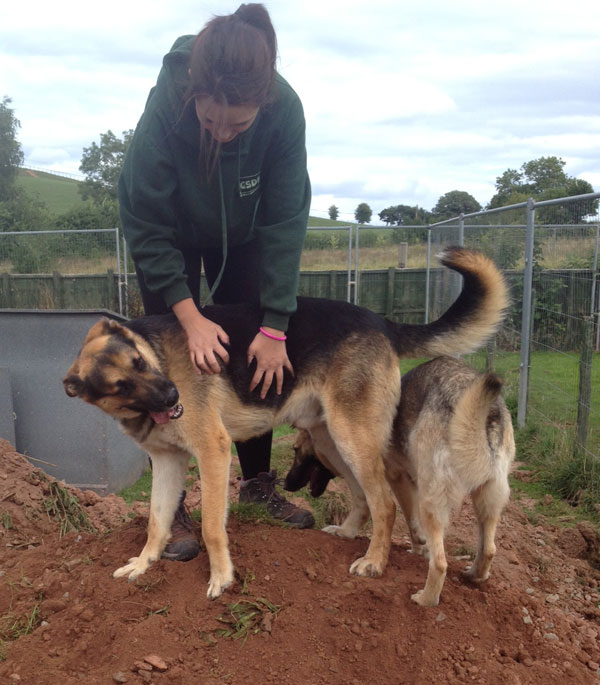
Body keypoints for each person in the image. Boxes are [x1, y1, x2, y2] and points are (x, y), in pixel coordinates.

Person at [118, 3, 315, 562]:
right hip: (171, 235)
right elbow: (145, 220)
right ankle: (174, 502)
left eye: (239, 124)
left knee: (258, 353)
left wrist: (275, 323)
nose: (223, 135)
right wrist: (189, 317)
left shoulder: (285, 111)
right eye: (210, 122)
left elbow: (285, 222)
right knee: (167, 357)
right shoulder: (168, 100)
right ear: (193, 93)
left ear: (264, 104)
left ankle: (256, 482)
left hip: (247, 234)